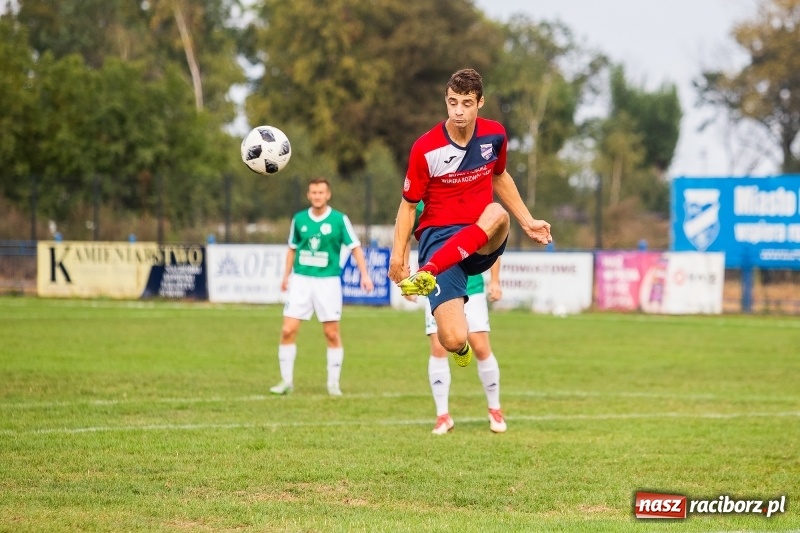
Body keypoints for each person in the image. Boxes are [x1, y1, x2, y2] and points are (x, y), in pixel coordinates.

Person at [389, 67, 551, 369]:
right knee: (452, 339)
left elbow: (499, 176)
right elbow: (408, 206)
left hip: (480, 238)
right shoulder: (425, 148)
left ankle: (429, 272)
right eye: (452, 102)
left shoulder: (495, 135)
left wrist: (528, 222)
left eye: (466, 103)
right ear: (446, 101)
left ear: (480, 102)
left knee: (497, 212)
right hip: (439, 240)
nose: (458, 111)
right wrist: (398, 257)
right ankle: (459, 344)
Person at [407, 201, 507, 434]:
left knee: (481, 347)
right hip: (437, 282)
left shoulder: (474, 195)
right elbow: (407, 232)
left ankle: (495, 409)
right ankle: (443, 416)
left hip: (471, 283)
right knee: (439, 346)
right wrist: (406, 271)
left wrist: (495, 280)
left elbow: (493, 241)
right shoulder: (422, 202)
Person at [270, 177, 374, 397]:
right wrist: (285, 276)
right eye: (314, 192)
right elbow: (292, 248)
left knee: (331, 333)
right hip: (301, 281)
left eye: (321, 192)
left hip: (328, 282)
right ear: (308, 195)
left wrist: (364, 275)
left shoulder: (339, 219)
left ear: (328, 195)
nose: (317, 196)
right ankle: (286, 382)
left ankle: (333, 383)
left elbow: (355, 247)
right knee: (287, 330)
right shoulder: (299, 219)